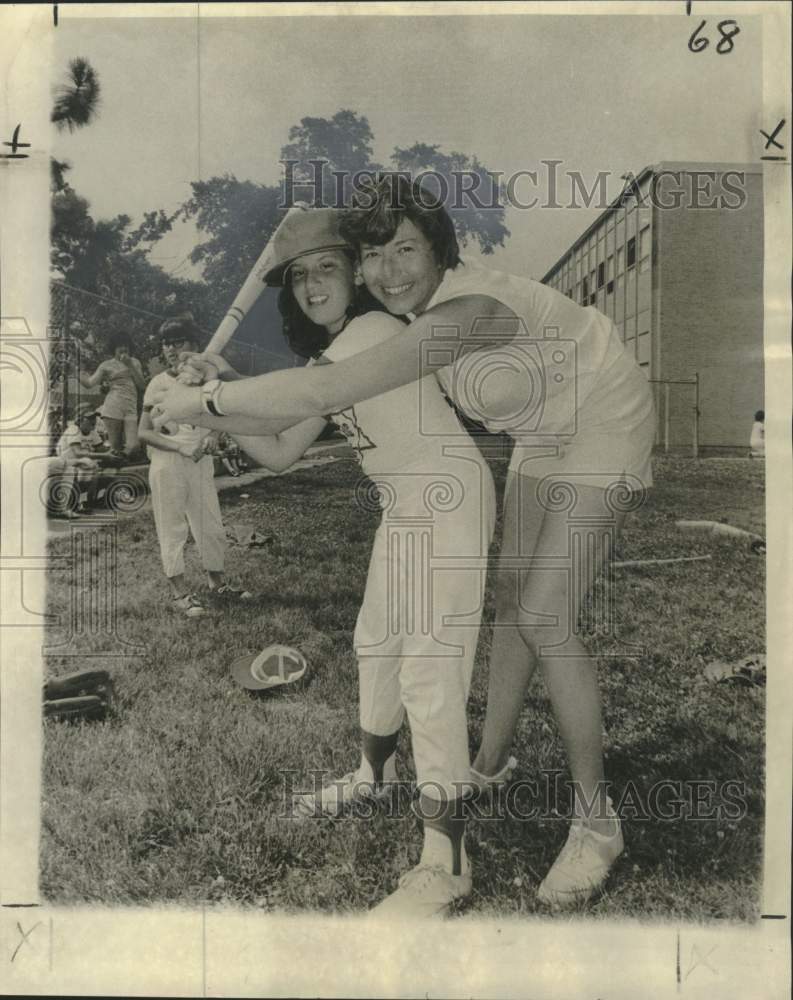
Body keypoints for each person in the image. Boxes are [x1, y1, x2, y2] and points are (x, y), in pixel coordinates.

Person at [150, 176, 655, 908]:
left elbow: (323, 392)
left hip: (605, 410)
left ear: (437, 247)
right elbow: (304, 406)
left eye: (404, 249)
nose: (388, 270)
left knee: (545, 614)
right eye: (374, 254)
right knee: (513, 603)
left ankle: (595, 825)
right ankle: (484, 762)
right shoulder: (403, 317)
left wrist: (204, 400)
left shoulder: (463, 312)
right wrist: (221, 397)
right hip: (541, 431)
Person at [176, 208, 496, 917]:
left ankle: (445, 861)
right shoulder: (337, 353)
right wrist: (204, 411)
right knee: (374, 643)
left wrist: (203, 398)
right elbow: (282, 444)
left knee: (428, 668)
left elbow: (307, 396)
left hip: (446, 498)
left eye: (327, 267)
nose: (312, 284)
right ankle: (372, 775)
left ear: (356, 271)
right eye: (298, 276)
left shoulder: (374, 332)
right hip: (404, 503)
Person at [138, 315, 252, 618]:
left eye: (179, 342)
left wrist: (213, 436)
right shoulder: (158, 383)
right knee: (172, 527)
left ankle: (218, 584)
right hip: (168, 462)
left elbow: (219, 419)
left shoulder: (205, 379)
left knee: (210, 526)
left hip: (200, 463)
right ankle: (180, 593)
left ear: (195, 345)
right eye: (167, 343)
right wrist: (180, 446)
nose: (172, 349)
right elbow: (144, 432)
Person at [79, 331, 145, 458]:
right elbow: (89, 383)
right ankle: (114, 473)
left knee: (134, 445)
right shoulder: (106, 365)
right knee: (115, 448)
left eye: (126, 345)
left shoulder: (135, 362)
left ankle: (115, 462)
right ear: (114, 348)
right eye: (119, 345)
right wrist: (78, 372)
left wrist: (129, 365)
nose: (123, 348)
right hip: (113, 406)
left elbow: (142, 385)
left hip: (130, 407)